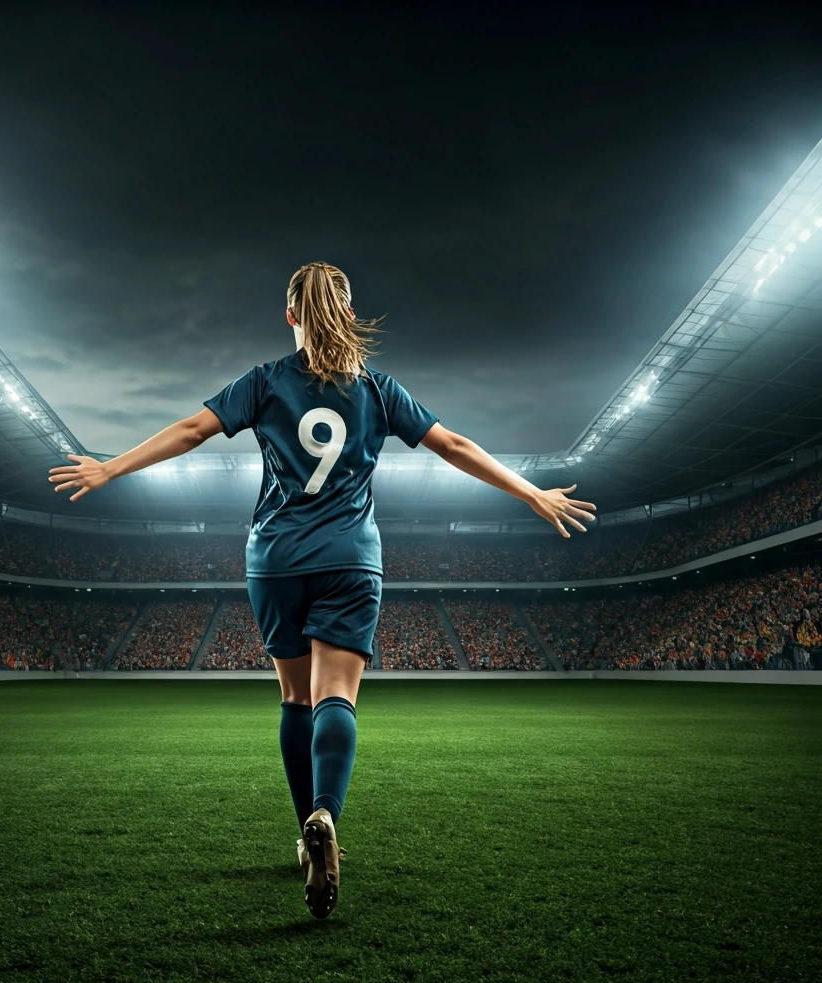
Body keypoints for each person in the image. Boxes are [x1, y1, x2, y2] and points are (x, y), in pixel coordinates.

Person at [48, 262, 597, 919]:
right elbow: (452, 444)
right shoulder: (379, 390)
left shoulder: (264, 383)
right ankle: (325, 814)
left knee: (292, 696)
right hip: (350, 558)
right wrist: (531, 491)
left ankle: (306, 839)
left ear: (289, 317)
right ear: (347, 310)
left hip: (276, 559)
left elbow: (192, 431)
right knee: (335, 694)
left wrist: (110, 467)